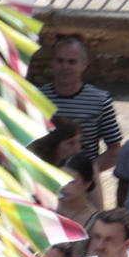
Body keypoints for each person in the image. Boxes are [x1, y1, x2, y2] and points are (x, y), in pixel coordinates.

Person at [38, 35, 123, 172]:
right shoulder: (36, 97)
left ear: (84, 65)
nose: (65, 67)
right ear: (52, 63)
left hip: (82, 184)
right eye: (60, 61)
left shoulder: (100, 101)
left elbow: (114, 150)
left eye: (72, 62)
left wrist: (86, 173)